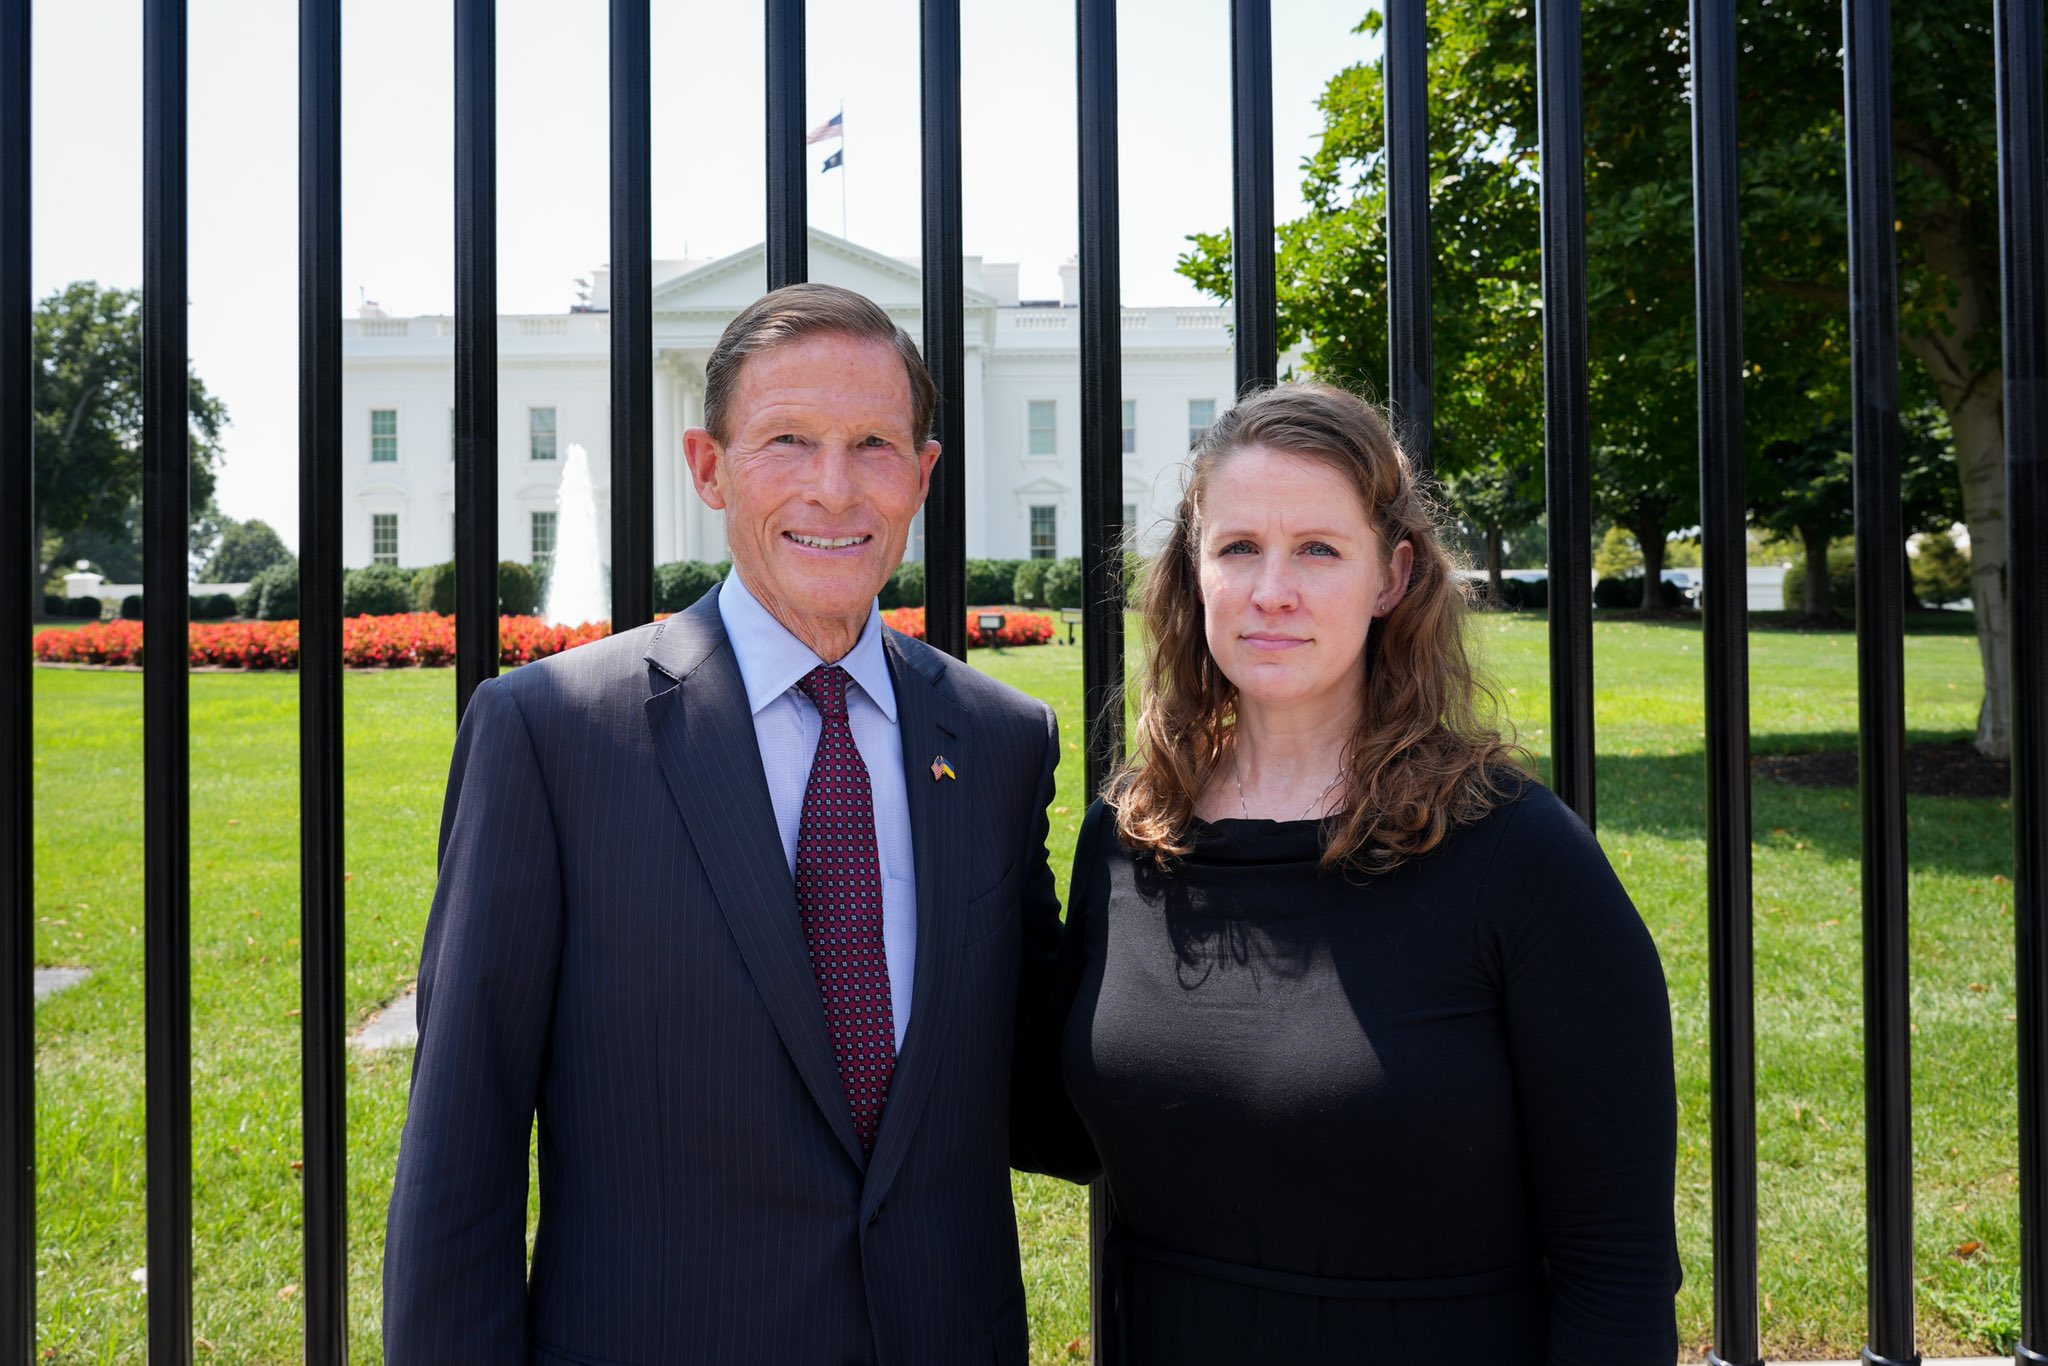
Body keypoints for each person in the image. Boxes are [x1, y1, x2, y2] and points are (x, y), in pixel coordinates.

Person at [384, 283, 1063, 1365]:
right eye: (786, 440)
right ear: (708, 468)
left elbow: (1041, 1074)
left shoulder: (996, 740)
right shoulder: (552, 736)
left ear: (922, 477)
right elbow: (458, 1154)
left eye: (874, 445)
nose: (833, 489)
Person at [1022, 382, 1681, 1364]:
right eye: (1237, 547)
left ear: (1391, 575)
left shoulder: (1516, 856)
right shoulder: (1129, 836)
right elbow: (1056, 1121)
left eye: (1317, 549)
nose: (1269, 590)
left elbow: (1616, 1276)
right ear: (1192, 572)